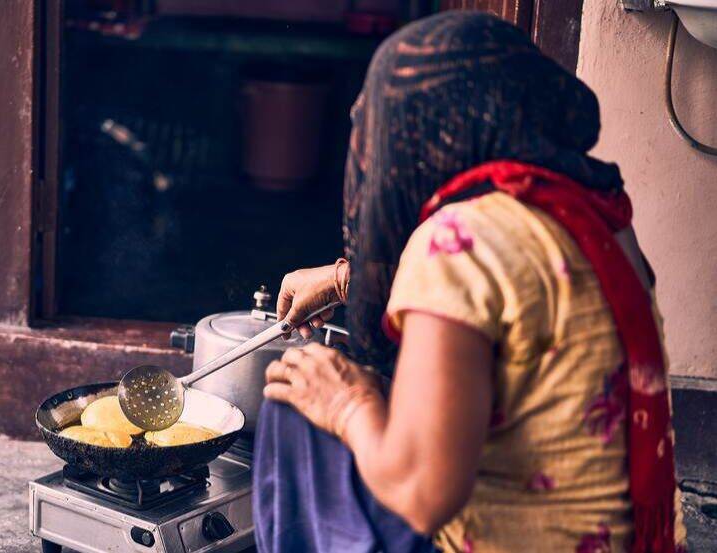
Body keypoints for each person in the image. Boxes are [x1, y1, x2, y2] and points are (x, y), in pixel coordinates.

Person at [252, 12, 687, 553]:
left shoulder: (457, 240)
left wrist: (346, 405)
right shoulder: (594, 217)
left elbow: (423, 493)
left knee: (295, 410)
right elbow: (516, 298)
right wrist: (346, 280)